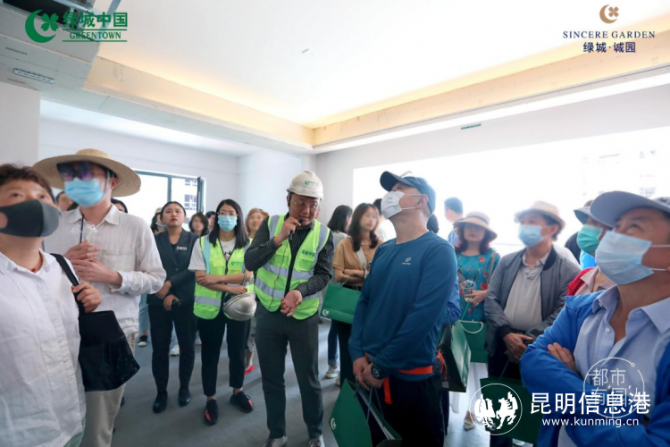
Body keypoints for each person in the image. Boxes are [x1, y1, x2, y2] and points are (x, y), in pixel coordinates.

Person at [36, 149, 166, 447]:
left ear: (112, 181)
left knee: (98, 424)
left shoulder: (135, 226)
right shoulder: (53, 224)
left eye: (87, 174)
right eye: (71, 175)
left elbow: (156, 279)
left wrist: (113, 276)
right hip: (57, 331)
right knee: (56, 419)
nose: (77, 181)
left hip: (111, 333)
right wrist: (61, 262)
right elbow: (32, 274)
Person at [521, 192, 670, 446]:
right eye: (615, 227)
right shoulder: (581, 309)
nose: (607, 236)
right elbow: (534, 361)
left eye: (634, 227)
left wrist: (567, 396)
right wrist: (621, 412)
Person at [350, 172, 459, 447]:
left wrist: (381, 367)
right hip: (370, 371)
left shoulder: (438, 250)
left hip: (411, 380)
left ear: (421, 201)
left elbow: (422, 319)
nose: (390, 195)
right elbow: (364, 302)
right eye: (390, 190)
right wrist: (356, 352)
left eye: (399, 189)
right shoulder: (384, 250)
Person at [0, 164, 102, 447]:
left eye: (43, 196)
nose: (36, 203)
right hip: (17, 431)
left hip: (71, 416)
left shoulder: (61, 266)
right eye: (18, 195)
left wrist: (87, 303)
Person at [245, 171, 333, 447]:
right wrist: (278, 238)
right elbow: (251, 261)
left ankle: (315, 433)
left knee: (309, 380)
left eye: (313, 204)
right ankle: (277, 433)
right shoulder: (271, 224)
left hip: (302, 317)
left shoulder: (324, 234)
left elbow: (324, 275)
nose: (306, 210)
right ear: (288, 200)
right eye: (300, 203)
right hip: (268, 315)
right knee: (272, 378)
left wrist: (300, 292)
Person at [484, 201, 579, 447]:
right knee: (500, 406)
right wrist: (506, 334)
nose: (525, 227)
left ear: (552, 228)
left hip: (538, 348)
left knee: (538, 410)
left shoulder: (567, 269)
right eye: (523, 222)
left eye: (532, 222)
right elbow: (491, 299)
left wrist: (527, 340)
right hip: (502, 343)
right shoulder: (507, 261)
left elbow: (562, 312)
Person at [189, 199, 254, 425]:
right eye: (222, 213)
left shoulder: (248, 244)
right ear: (216, 217)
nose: (227, 217)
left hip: (240, 307)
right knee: (210, 354)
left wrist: (216, 278)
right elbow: (200, 278)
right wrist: (230, 286)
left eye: (231, 213)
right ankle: (211, 397)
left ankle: (237, 391)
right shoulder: (203, 243)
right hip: (210, 308)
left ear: (238, 217)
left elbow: (249, 276)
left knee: (238, 350)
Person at [148, 201, 199, 413]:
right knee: (159, 348)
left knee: (187, 346)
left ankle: (184, 388)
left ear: (184, 217)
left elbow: (195, 268)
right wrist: (163, 289)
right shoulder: (152, 240)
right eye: (168, 211)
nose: (173, 214)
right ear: (161, 218)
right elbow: (149, 266)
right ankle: (161, 392)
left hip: (185, 299)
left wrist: (171, 286)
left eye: (178, 211)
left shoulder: (195, 240)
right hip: (157, 298)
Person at [451, 212, 501, 430]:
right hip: (455, 318)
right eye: (468, 226)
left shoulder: (494, 257)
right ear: (461, 230)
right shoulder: (451, 254)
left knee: (479, 368)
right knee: (455, 362)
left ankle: (473, 410)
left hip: (481, 320)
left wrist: (484, 294)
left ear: (486, 233)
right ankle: (453, 408)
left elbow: (503, 289)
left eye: (478, 227)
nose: (472, 230)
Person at [331, 203, 379, 387]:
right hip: (348, 297)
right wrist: (366, 274)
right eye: (367, 215)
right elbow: (339, 276)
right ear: (357, 218)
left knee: (370, 347)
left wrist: (354, 273)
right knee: (347, 347)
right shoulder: (345, 244)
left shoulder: (381, 245)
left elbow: (380, 277)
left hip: (373, 299)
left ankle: (367, 389)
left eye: (374, 216)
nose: (371, 219)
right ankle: (347, 388)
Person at [323, 205, 353, 381]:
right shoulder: (345, 239)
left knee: (334, 328)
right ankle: (344, 371)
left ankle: (332, 365)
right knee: (344, 330)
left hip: (328, 287)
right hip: (343, 288)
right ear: (347, 218)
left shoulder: (325, 234)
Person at [243, 208, 270, 374]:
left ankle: (268, 364)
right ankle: (248, 360)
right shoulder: (242, 242)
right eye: (252, 217)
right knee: (249, 331)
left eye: (259, 217)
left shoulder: (270, 242)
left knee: (264, 331)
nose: (255, 220)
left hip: (266, 292)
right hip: (245, 292)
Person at [566, 204, 614, 296]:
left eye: (594, 223)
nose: (585, 229)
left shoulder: (630, 283)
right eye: (587, 224)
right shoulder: (581, 279)